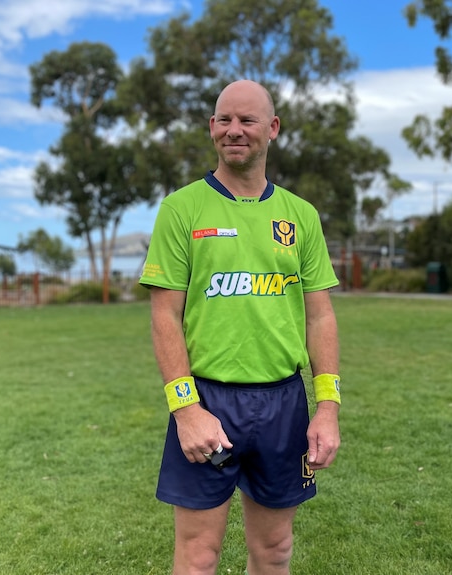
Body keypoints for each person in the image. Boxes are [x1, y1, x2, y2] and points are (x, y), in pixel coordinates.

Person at [139, 79, 342, 575]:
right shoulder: (182, 208)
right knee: (198, 555)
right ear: (211, 127)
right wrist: (186, 408)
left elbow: (320, 315)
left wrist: (328, 408)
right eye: (224, 120)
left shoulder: (300, 216)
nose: (235, 130)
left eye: (247, 120)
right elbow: (164, 314)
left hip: (283, 403)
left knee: (274, 552)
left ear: (271, 129)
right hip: (208, 400)